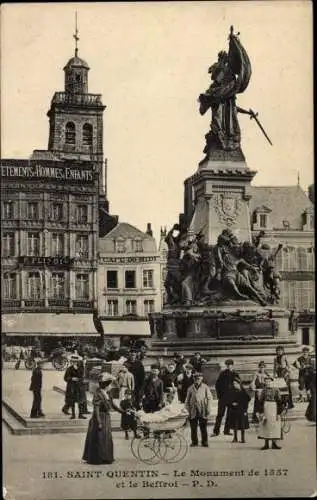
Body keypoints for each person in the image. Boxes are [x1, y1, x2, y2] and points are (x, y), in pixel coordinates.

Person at [83, 373, 123, 465]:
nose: (110, 387)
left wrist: (122, 412)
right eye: (109, 385)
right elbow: (96, 409)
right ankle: (97, 459)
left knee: (106, 438)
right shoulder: (98, 394)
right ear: (106, 386)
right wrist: (99, 422)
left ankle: (106, 457)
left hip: (106, 417)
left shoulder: (107, 393)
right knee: (99, 438)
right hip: (100, 417)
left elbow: (113, 405)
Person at [211, 359, 240, 437]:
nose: (228, 366)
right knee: (220, 415)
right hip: (223, 398)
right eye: (227, 365)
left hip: (232, 398)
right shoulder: (222, 374)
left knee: (229, 415)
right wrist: (219, 396)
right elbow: (217, 385)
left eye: (230, 365)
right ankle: (216, 431)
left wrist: (236, 398)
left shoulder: (235, 374)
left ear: (232, 365)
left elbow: (238, 387)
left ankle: (226, 431)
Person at [185, 372, 212, 447]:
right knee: (193, 427)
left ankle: (204, 441)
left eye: (199, 378)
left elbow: (209, 398)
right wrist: (187, 410)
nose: (197, 380)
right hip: (193, 409)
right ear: (194, 379)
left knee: (203, 427)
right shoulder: (190, 388)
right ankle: (194, 442)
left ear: (202, 379)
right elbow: (187, 400)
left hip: (202, 409)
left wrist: (208, 408)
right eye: (196, 378)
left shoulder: (205, 387)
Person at [256, 377, 283, 450]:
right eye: (266, 382)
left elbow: (279, 401)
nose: (268, 383)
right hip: (266, 408)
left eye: (269, 382)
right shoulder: (264, 391)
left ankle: (274, 444)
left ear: (272, 382)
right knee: (266, 425)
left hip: (274, 408)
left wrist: (279, 412)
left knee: (275, 426)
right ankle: (266, 444)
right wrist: (261, 412)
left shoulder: (276, 390)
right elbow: (260, 401)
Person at [226, 377, 250, 443]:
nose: (234, 385)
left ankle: (243, 438)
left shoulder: (243, 391)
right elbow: (227, 400)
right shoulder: (231, 391)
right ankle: (235, 438)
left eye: (236, 383)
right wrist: (231, 403)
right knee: (235, 425)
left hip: (242, 410)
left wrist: (245, 410)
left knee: (242, 425)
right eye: (233, 383)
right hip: (234, 411)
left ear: (239, 384)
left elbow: (247, 400)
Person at [62, 354, 86, 420]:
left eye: (76, 361)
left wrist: (79, 379)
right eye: (73, 361)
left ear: (78, 362)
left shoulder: (81, 368)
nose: (75, 362)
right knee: (72, 402)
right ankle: (73, 415)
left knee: (80, 401)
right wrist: (71, 378)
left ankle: (80, 414)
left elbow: (82, 377)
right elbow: (65, 378)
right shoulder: (69, 369)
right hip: (72, 387)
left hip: (79, 387)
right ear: (71, 362)